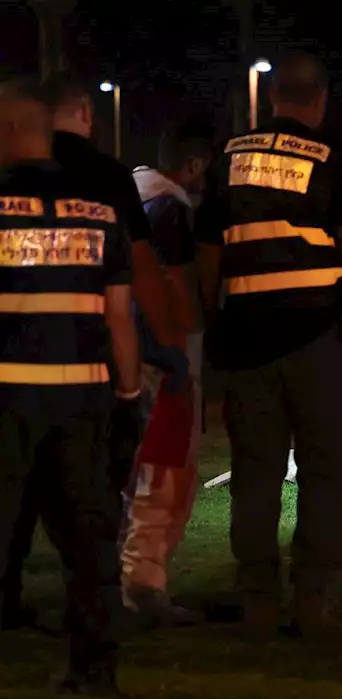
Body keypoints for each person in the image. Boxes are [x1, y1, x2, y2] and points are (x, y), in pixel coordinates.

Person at [194, 50, 342, 640]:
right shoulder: (330, 159)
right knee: (323, 467)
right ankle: (313, 595)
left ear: (271, 99)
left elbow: (209, 254)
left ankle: (258, 600)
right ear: (318, 100)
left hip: (245, 342)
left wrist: (213, 325)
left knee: (256, 471)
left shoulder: (228, 159)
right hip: (316, 339)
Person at [0, 74, 190, 627]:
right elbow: (126, 300)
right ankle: (94, 652)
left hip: (10, 388)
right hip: (87, 385)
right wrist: (139, 382)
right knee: (88, 521)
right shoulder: (103, 193)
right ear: (81, 112)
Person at [0, 77, 141, 693]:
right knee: (89, 538)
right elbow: (119, 319)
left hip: (6, 400)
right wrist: (130, 396)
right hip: (84, 400)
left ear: (10, 129)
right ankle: (95, 666)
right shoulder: (99, 213)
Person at [120, 118, 216, 625]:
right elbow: (175, 286)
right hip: (166, 359)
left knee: (131, 472)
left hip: (123, 357)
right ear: (194, 164)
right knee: (166, 477)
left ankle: (118, 574)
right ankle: (144, 585)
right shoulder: (171, 208)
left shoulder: (126, 195)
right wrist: (182, 352)